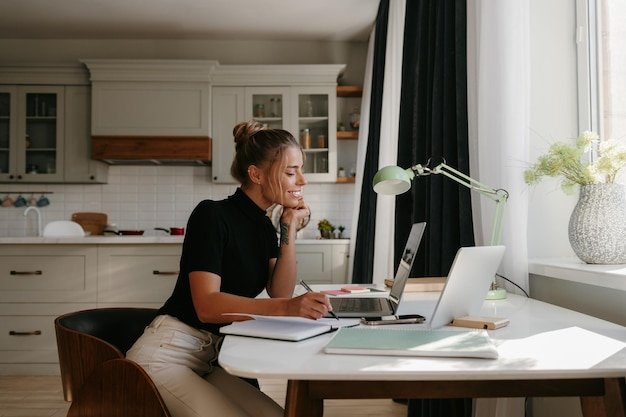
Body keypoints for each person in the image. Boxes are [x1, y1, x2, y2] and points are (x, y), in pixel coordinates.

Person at [127, 120, 333, 417]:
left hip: (209, 359)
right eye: (291, 171)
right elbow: (207, 307)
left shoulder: (263, 226)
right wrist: (289, 307)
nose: (302, 180)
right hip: (166, 356)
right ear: (256, 174)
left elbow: (280, 291)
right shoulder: (212, 215)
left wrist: (288, 226)